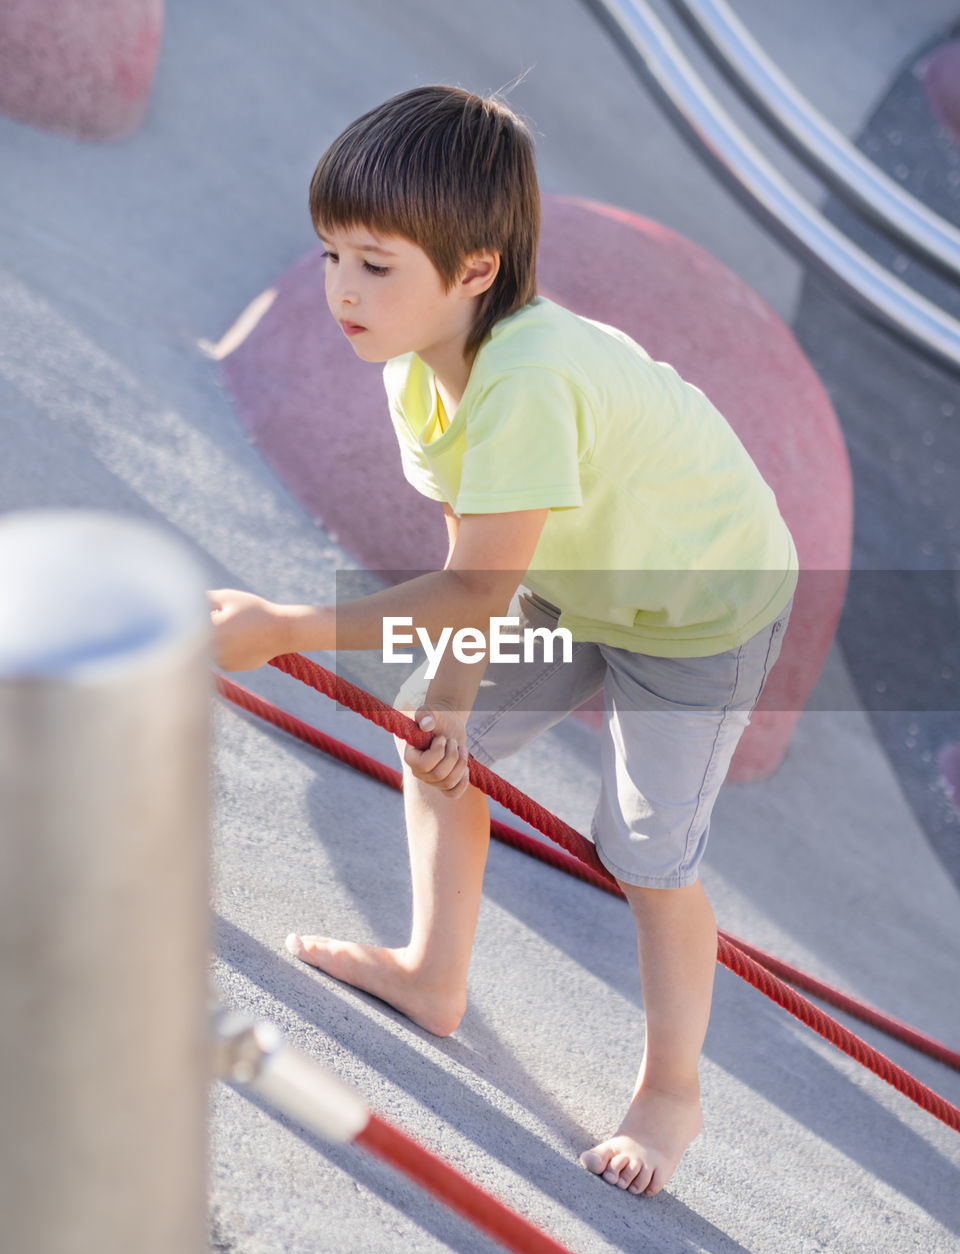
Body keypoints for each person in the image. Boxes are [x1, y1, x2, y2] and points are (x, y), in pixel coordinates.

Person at [209, 84, 797, 1197]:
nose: (342, 288)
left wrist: (290, 624)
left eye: (377, 264)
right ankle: (435, 971)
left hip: (697, 614)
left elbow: (478, 574)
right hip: (570, 585)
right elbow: (473, 542)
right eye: (332, 252)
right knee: (427, 738)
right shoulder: (415, 374)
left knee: (645, 853)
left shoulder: (528, 377)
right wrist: (457, 698)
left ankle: (672, 1093)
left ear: (476, 267)